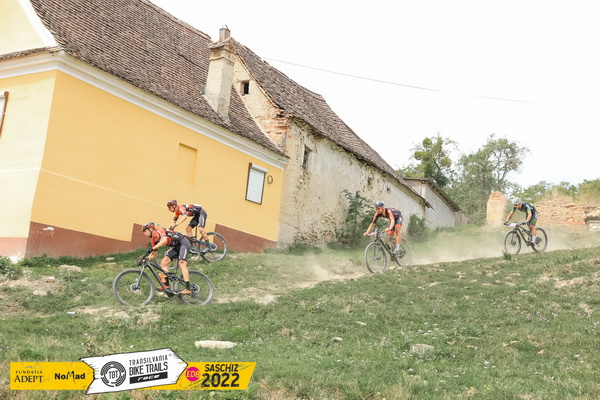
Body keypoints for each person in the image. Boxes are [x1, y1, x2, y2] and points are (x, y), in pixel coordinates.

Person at [142, 222, 192, 294]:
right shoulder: (154, 240)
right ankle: (166, 287)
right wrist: (146, 259)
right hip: (177, 246)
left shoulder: (159, 230)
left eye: (145, 231)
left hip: (184, 242)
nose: (144, 233)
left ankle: (188, 288)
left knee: (182, 263)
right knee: (163, 262)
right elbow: (154, 254)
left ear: (151, 229)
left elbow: (164, 240)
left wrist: (153, 248)